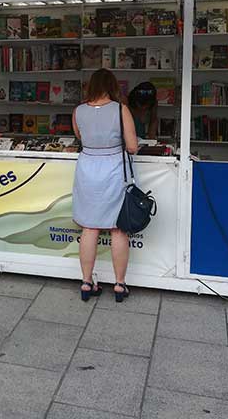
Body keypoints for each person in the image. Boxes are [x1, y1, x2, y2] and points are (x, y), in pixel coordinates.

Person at [72, 68, 139, 302]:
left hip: (88, 167)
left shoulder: (79, 110)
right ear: (113, 86)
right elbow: (131, 146)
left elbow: (81, 138)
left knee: (89, 227)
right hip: (113, 170)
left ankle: (86, 282)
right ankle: (119, 285)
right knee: (117, 227)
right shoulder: (121, 110)